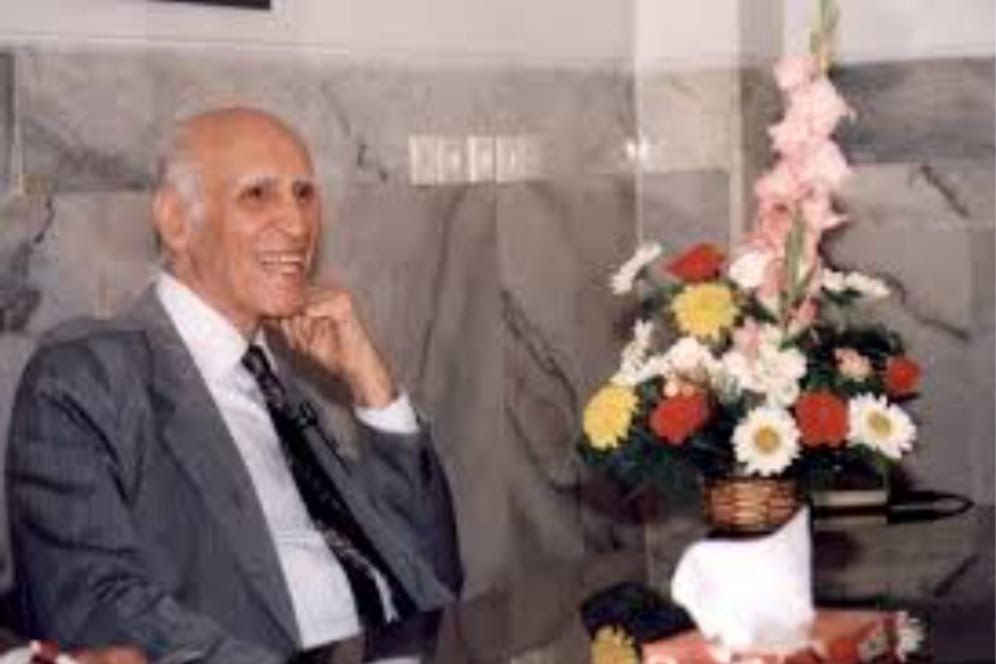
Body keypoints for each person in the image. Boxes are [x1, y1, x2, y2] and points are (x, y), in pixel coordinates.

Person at [6, 108, 462, 663]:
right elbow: (92, 609)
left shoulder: (281, 384)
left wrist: (375, 390)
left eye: (304, 194)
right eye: (257, 194)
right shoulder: (85, 377)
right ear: (176, 221)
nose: (297, 224)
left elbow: (433, 577)